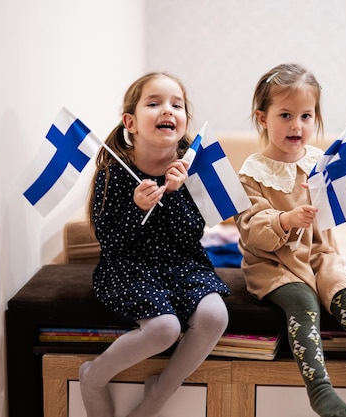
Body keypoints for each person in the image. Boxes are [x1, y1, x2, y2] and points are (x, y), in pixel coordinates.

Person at [234, 63, 346, 417]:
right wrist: (287, 218)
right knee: (302, 301)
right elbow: (253, 229)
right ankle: (320, 388)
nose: (297, 125)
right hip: (274, 264)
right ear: (263, 119)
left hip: (318, 254)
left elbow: (334, 210)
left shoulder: (319, 161)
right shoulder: (252, 172)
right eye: (286, 115)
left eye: (306, 115)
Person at [79, 72, 231, 417]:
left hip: (183, 264)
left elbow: (191, 234)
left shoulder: (190, 170)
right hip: (128, 266)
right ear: (129, 122)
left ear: (185, 121)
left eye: (176, 105)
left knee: (214, 316)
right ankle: (93, 376)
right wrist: (137, 208)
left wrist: (175, 194)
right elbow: (110, 241)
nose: (168, 110)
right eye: (155, 103)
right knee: (164, 328)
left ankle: (158, 396)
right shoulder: (114, 170)